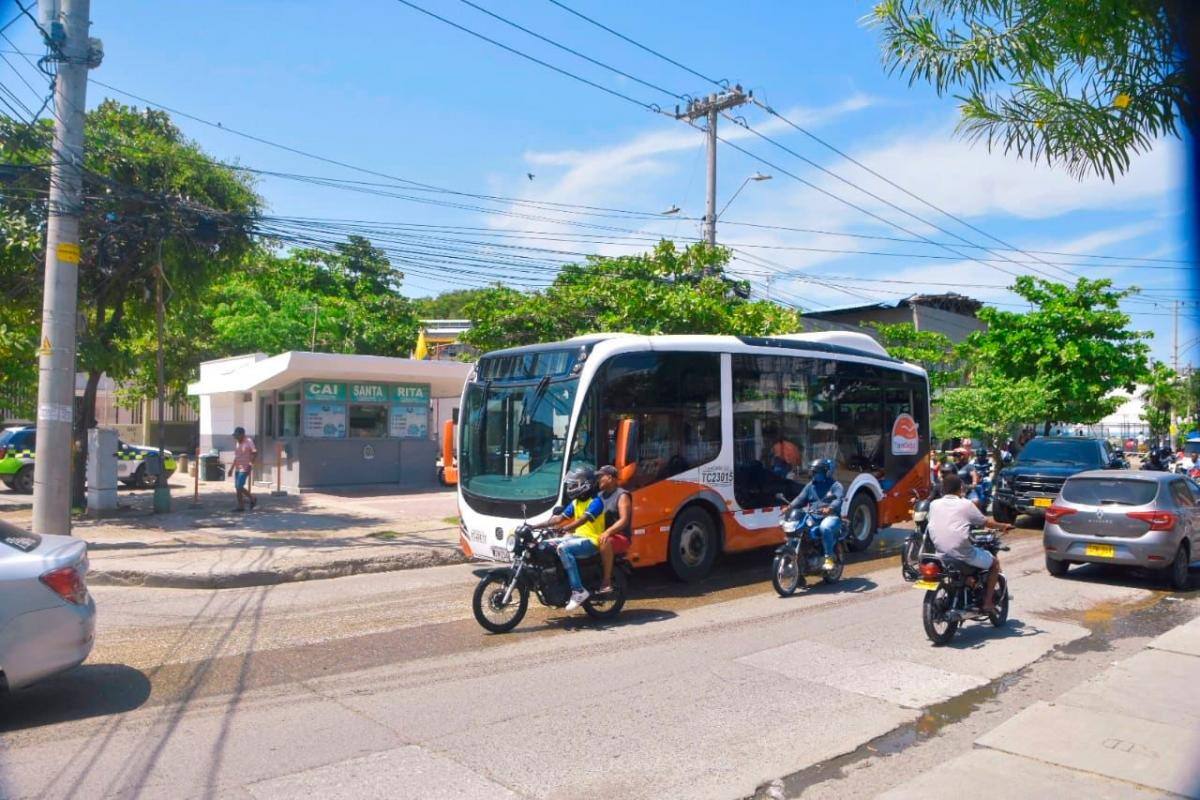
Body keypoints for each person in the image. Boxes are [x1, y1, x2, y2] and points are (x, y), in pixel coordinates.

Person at [928, 473, 1011, 613]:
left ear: (943, 489)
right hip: (962, 555)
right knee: (994, 564)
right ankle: (987, 602)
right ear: (960, 488)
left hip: (940, 554)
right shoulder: (966, 504)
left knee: (965, 564)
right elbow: (986, 522)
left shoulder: (934, 504)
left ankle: (969, 583)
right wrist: (1003, 526)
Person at [547, 467, 606, 611]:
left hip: (592, 541)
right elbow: (559, 518)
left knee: (563, 548)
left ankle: (578, 590)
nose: (571, 487)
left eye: (574, 484)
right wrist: (533, 526)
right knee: (547, 545)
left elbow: (583, 520)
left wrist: (565, 528)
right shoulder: (576, 502)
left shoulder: (596, 502)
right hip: (577, 538)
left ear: (585, 485)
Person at [789, 458, 844, 571]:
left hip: (831, 517)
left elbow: (839, 499)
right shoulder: (811, 486)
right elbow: (800, 498)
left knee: (825, 528)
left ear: (824, 472)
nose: (813, 474)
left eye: (816, 472)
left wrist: (830, 508)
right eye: (812, 472)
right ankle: (800, 565)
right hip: (813, 516)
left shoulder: (835, 485)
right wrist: (789, 507)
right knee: (798, 529)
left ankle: (828, 558)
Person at [595, 465, 632, 594]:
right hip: (600, 534)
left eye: (601, 477)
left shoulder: (622, 496)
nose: (598, 480)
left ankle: (606, 581)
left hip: (619, 537)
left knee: (604, 541)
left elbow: (624, 520)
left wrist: (608, 532)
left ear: (610, 478)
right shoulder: (599, 496)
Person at [229, 426, 257, 512]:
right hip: (238, 468)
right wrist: (231, 469)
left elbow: (255, 453)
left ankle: (252, 498)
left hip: (245, 468)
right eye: (235, 436)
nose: (236, 437)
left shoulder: (249, 441)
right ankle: (241, 506)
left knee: (239, 486)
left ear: (242, 435)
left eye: (237, 436)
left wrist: (250, 465)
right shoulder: (237, 443)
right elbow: (236, 457)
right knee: (237, 488)